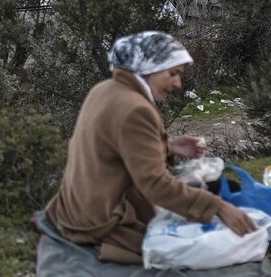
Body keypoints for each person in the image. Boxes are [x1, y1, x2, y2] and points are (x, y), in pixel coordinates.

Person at [46, 31, 256, 265]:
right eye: (173, 73)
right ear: (149, 69)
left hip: (76, 209)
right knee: (217, 223)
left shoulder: (105, 89)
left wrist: (168, 147)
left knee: (216, 190)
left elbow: (114, 147)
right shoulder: (137, 109)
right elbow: (154, 185)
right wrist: (217, 208)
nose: (178, 84)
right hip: (104, 221)